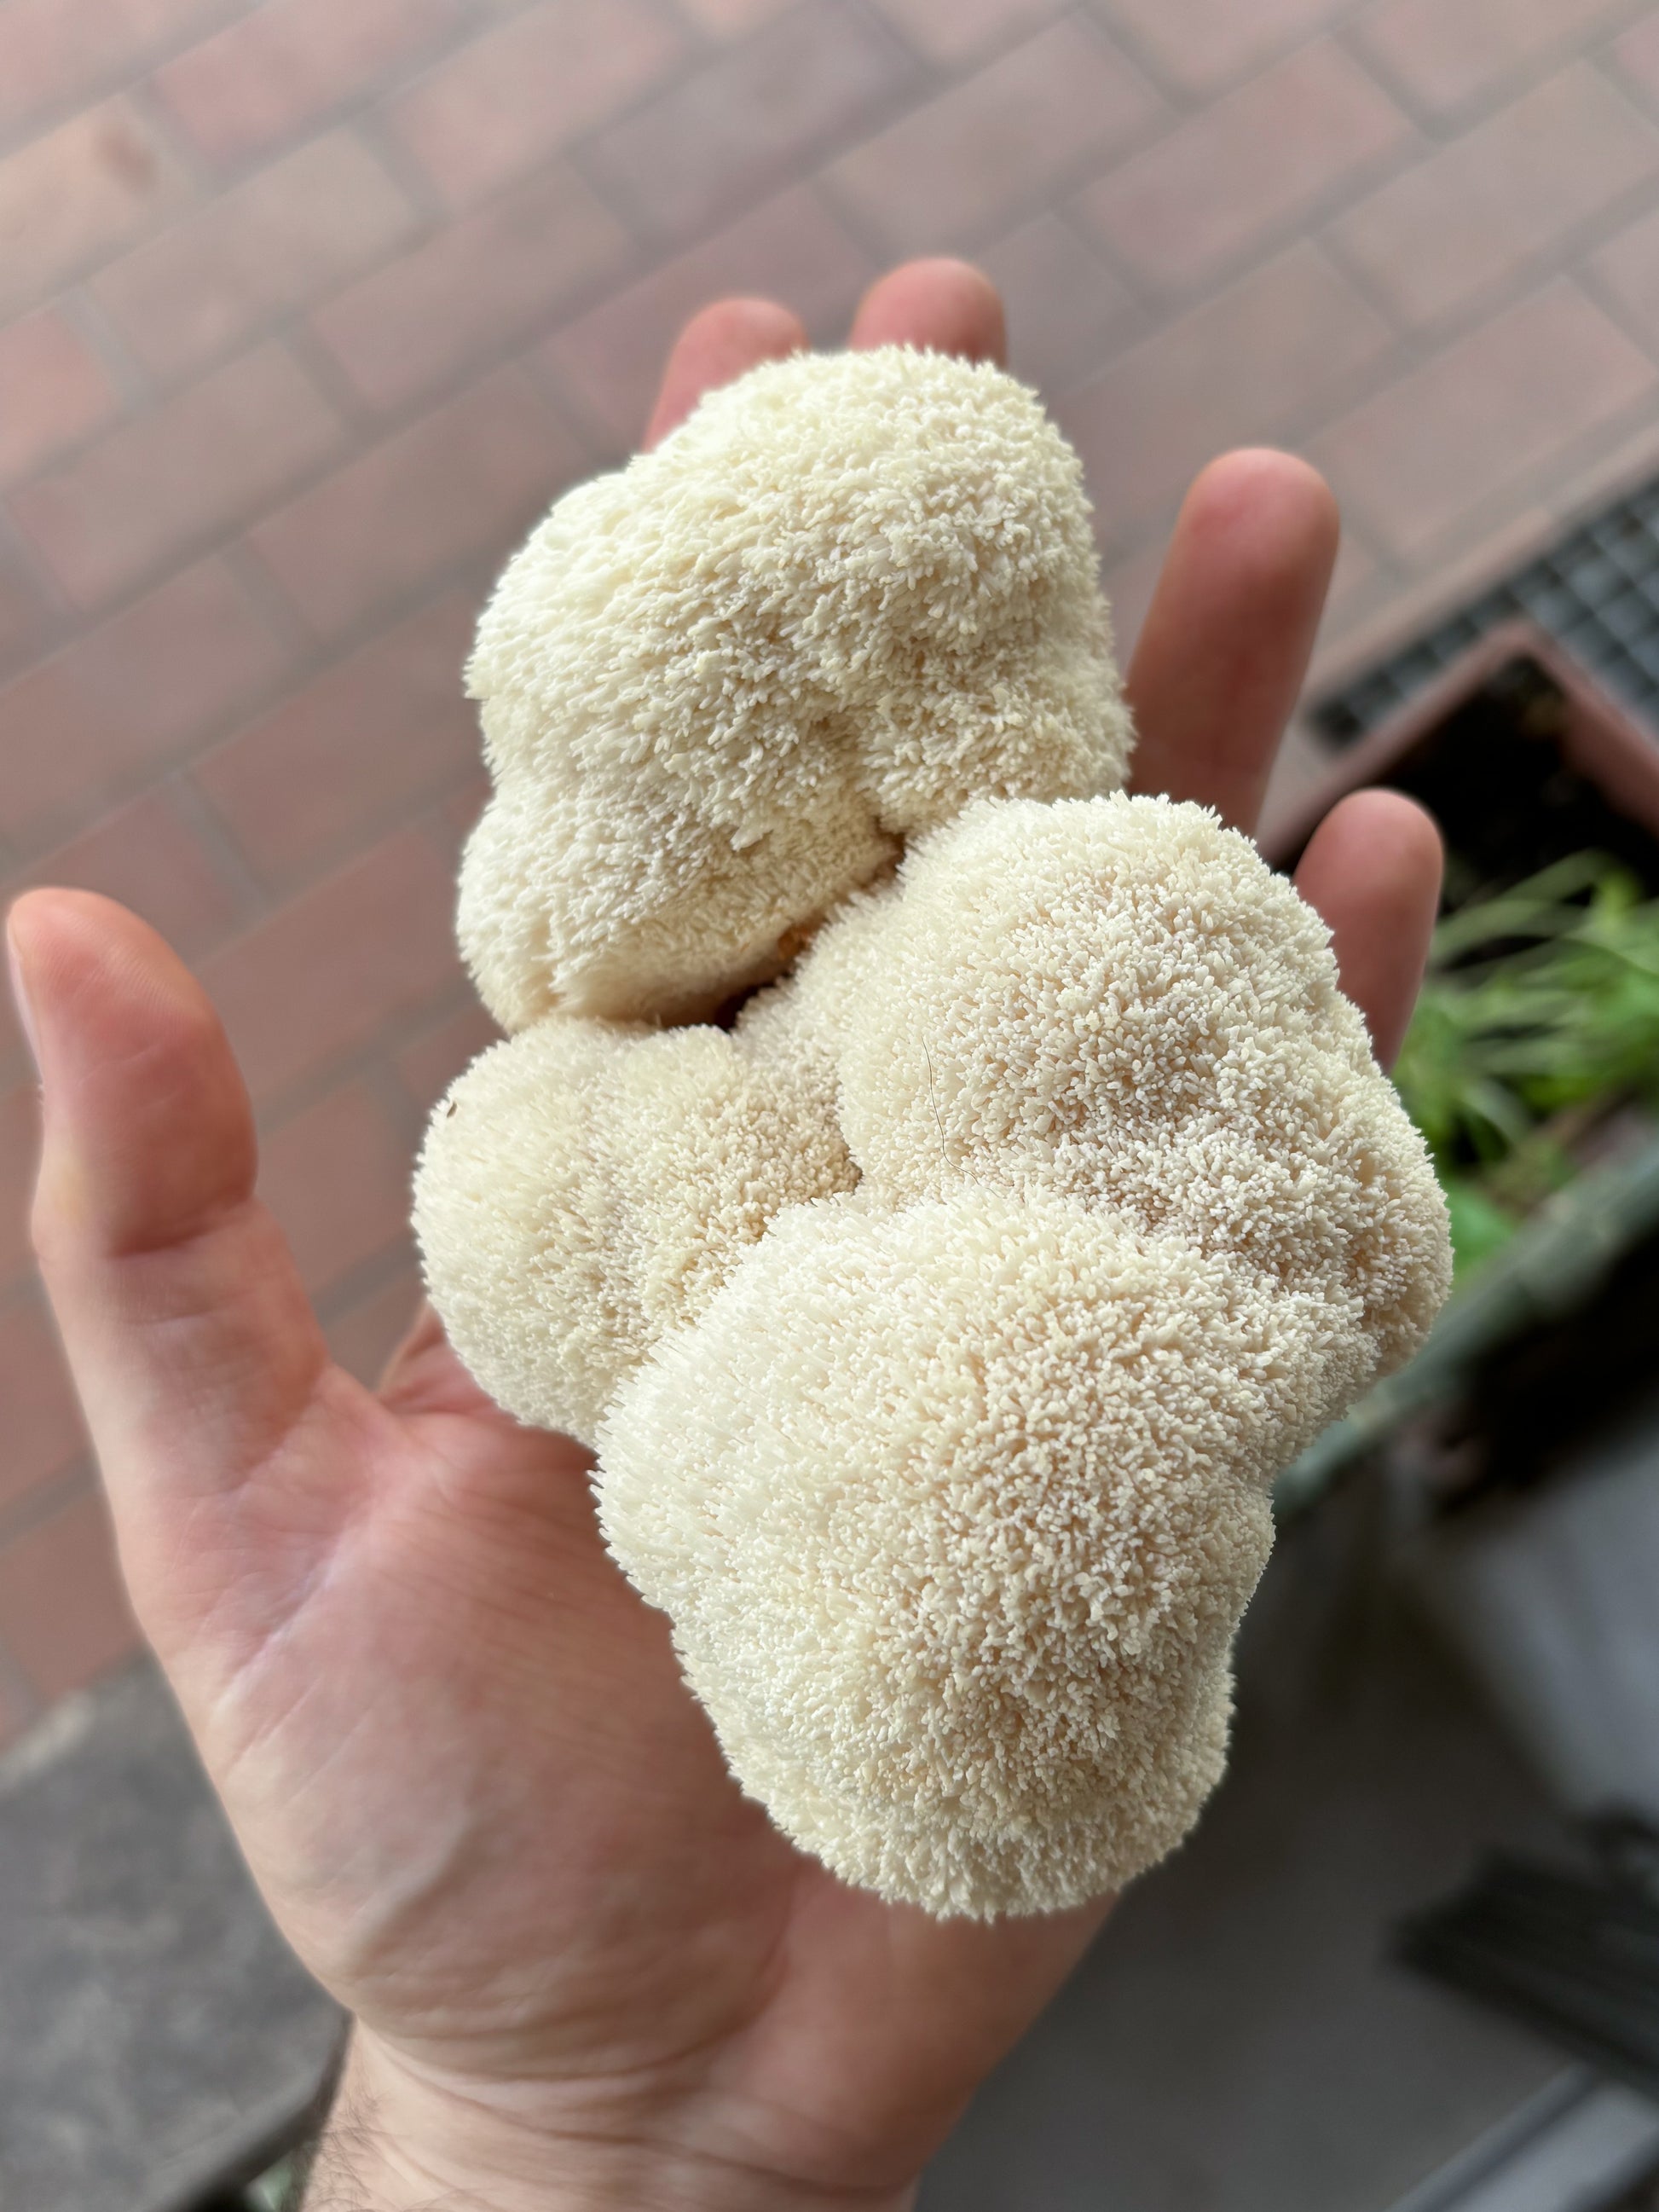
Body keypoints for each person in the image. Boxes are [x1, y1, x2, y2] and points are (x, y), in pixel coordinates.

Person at [6, 261, 1442, 2211]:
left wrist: (538, 2142)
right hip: (889, 1305)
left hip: (946, 1296)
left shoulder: (1008, 955)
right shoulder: (869, 1009)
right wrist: (543, 2127)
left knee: (992, 986)